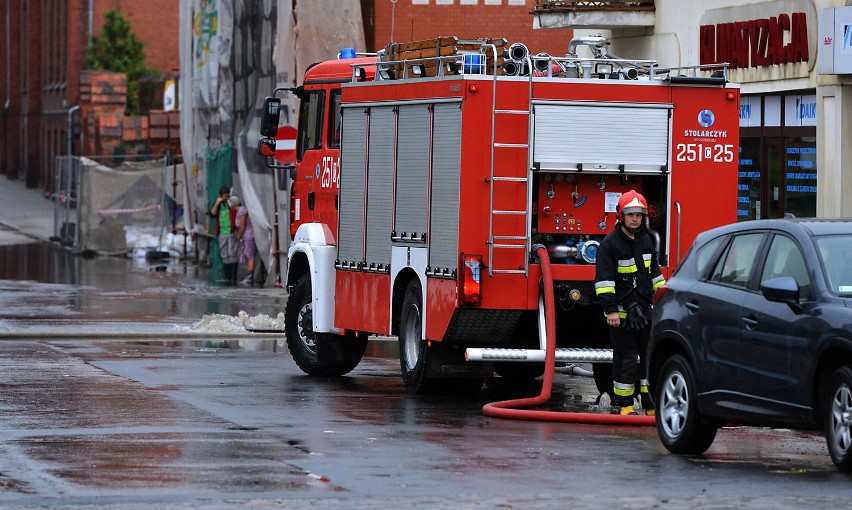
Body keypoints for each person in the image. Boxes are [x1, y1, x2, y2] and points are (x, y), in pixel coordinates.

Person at [594, 190, 666, 416]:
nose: (635, 218)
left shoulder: (646, 241)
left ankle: (650, 404)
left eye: (639, 214)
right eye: (630, 214)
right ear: (621, 216)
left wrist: (663, 302)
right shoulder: (610, 244)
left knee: (648, 358)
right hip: (622, 315)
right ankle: (625, 405)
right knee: (625, 358)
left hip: (645, 311)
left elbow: (655, 276)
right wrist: (611, 311)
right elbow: (604, 281)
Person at [210, 186, 239, 285]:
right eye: (224, 197)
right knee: (224, 253)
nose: (226, 198)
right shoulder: (219, 205)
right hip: (222, 232)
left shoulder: (231, 204)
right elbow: (212, 214)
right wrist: (217, 202)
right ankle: (227, 275)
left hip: (231, 231)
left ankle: (233, 276)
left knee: (232, 253)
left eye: (227, 196)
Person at [231, 195, 256, 284]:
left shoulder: (241, 211)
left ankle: (249, 277)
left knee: (249, 255)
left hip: (248, 235)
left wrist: (239, 235)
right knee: (247, 254)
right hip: (246, 236)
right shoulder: (241, 211)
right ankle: (248, 275)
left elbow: (242, 226)